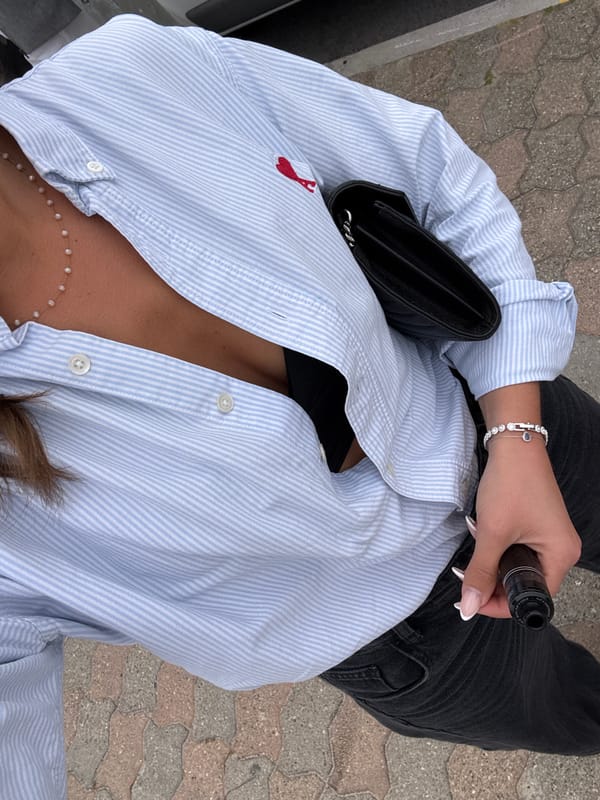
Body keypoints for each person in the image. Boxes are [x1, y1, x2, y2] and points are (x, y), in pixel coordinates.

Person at [0, 13, 598, 798]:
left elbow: (432, 175)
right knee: (576, 715)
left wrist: (516, 431)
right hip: (413, 646)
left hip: (502, 407)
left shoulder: (132, 74)